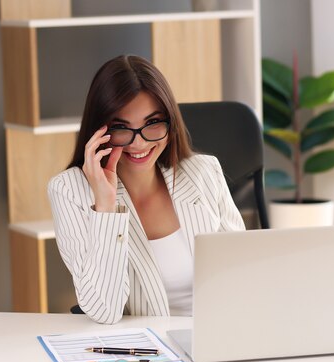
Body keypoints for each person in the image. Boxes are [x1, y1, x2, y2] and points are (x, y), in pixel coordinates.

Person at [48, 55, 244, 324]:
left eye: (152, 123)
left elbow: (243, 277)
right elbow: (105, 311)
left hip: (219, 334)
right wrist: (105, 207)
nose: (138, 144)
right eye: (120, 128)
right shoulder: (70, 191)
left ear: (170, 122)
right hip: (144, 353)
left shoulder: (204, 172)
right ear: (98, 131)